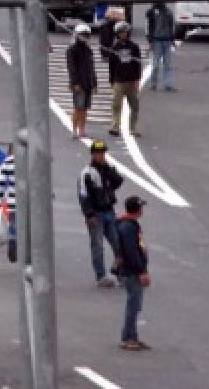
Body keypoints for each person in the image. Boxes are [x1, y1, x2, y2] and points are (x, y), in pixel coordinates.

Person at [78, 140, 124, 288]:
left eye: (103, 153)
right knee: (97, 245)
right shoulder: (87, 173)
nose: (101, 155)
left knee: (119, 242)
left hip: (109, 211)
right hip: (96, 214)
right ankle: (100, 276)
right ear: (92, 154)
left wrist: (108, 169)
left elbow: (118, 182)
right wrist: (89, 215)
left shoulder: (107, 168)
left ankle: (120, 271)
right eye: (98, 153)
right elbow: (83, 195)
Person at [116, 195, 151, 351]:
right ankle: (128, 337)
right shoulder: (128, 227)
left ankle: (132, 335)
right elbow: (132, 252)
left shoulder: (128, 224)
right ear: (137, 209)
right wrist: (142, 271)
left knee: (135, 305)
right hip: (132, 272)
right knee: (133, 304)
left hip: (132, 270)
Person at [105, 22, 143, 137]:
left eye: (124, 32)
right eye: (120, 32)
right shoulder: (114, 47)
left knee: (135, 106)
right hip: (119, 80)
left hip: (131, 80)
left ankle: (133, 128)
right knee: (116, 105)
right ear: (117, 34)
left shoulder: (134, 47)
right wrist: (111, 80)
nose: (123, 34)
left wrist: (137, 79)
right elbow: (111, 65)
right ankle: (115, 127)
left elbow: (138, 64)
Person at [66, 23, 98, 139]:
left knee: (85, 108)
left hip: (88, 83)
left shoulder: (89, 50)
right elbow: (71, 68)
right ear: (77, 35)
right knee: (78, 107)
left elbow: (92, 68)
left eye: (86, 35)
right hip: (78, 84)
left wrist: (94, 83)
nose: (85, 37)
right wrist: (75, 83)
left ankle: (82, 130)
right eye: (82, 34)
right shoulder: (72, 50)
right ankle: (74, 130)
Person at [145, 1, 176, 92]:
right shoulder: (151, 12)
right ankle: (153, 84)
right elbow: (147, 26)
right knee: (155, 64)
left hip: (166, 40)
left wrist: (172, 39)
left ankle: (168, 84)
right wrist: (150, 40)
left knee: (168, 64)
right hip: (156, 40)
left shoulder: (168, 11)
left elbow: (172, 26)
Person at [0, 152, 17, 262]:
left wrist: (0, 196)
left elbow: (1, 181)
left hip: (14, 202)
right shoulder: (36, 159)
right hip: (32, 201)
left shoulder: (10, 160)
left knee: (13, 226)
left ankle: (12, 248)